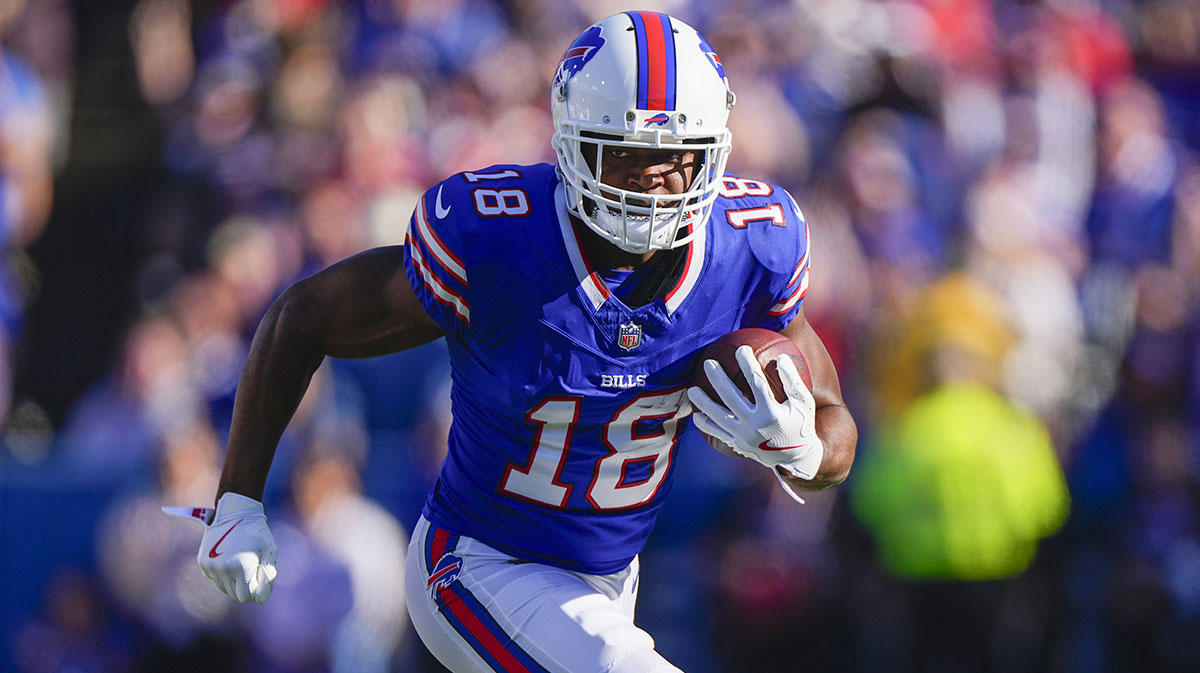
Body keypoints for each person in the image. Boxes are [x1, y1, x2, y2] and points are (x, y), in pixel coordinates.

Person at [173, 11, 857, 673]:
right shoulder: (500, 244)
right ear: (570, 144)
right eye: (623, 155)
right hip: (476, 563)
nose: (652, 179)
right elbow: (306, 313)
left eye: (674, 157)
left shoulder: (751, 249)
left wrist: (800, 449)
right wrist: (238, 496)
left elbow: (835, 428)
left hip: (609, 582)